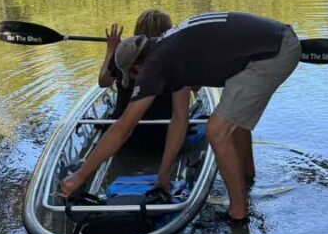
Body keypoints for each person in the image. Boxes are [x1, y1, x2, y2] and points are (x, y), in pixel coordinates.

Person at [61, 11, 301, 222]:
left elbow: (124, 127)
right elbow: (179, 119)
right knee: (231, 125)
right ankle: (247, 178)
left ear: (139, 66)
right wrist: (164, 174)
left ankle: (238, 213)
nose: (137, 82)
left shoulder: (157, 63)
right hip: (268, 46)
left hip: (272, 52)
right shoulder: (169, 49)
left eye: (135, 77)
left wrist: (80, 176)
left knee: (216, 129)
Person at [98, 9, 173, 121]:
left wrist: (111, 50)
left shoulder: (123, 53)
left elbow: (104, 81)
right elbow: (196, 86)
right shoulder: (174, 56)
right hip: (164, 129)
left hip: (122, 129)